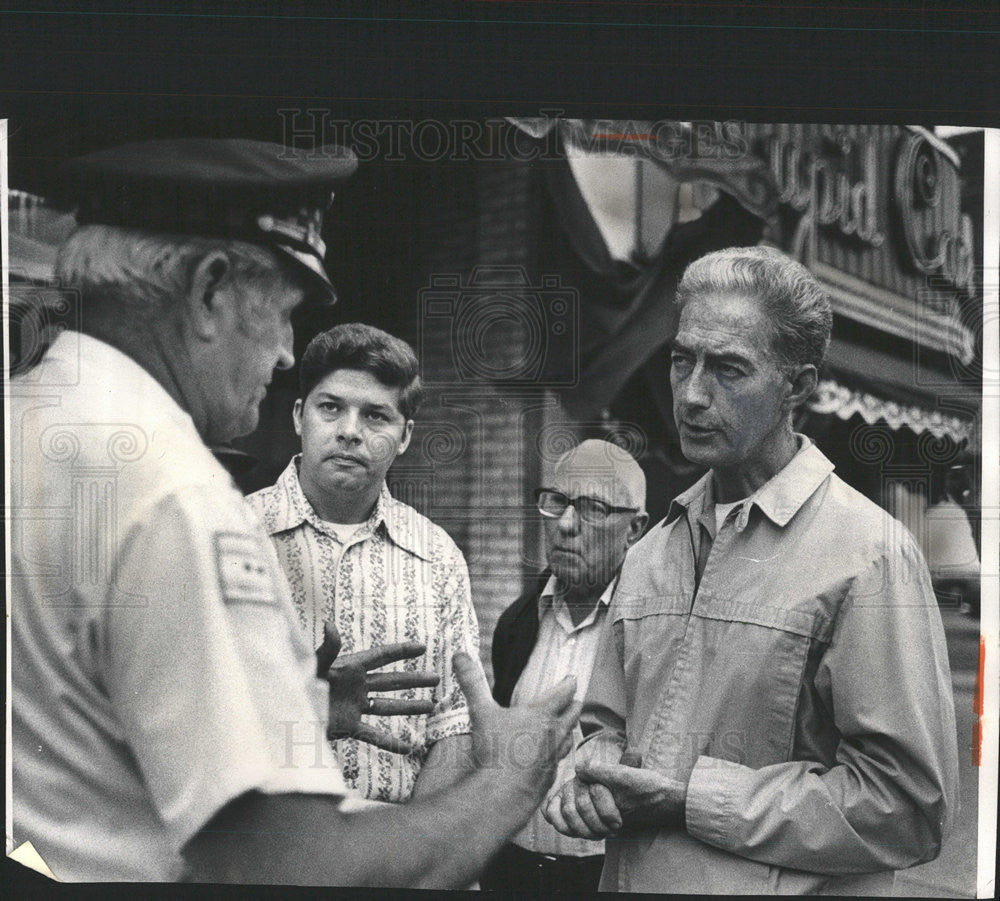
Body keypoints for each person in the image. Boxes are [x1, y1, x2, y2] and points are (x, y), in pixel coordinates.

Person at [9, 138, 579, 886]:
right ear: (210, 291)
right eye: (281, 313)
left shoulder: (24, 418)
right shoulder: (176, 493)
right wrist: (512, 777)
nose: (284, 354)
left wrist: (300, 706)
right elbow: (294, 868)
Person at [545, 246, 959, 894]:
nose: (691, 395)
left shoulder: (871, 554)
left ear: (798, 386)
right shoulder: (652, 550)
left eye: (729, 369)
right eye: (682, 360)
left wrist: (690, 798)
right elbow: (608, 727)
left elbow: (907, 807)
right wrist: (592, 770)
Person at [246, 323, 480, 802]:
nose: (350, 432)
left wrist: (411, 846)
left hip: (396, 849)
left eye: (376, 416)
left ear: (405, 436)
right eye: (330, 408)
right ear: (298, 416)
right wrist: (302, 714)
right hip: (261, 845)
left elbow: (456, 724)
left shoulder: (438, 557)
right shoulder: (234, 532)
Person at [482, 439, 648, 893]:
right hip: (510, 871)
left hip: (605, 879)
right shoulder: (518, 621)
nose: (567, 525)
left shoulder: (653, 633)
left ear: (634, 529)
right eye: (557, 502)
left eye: (592, 508)